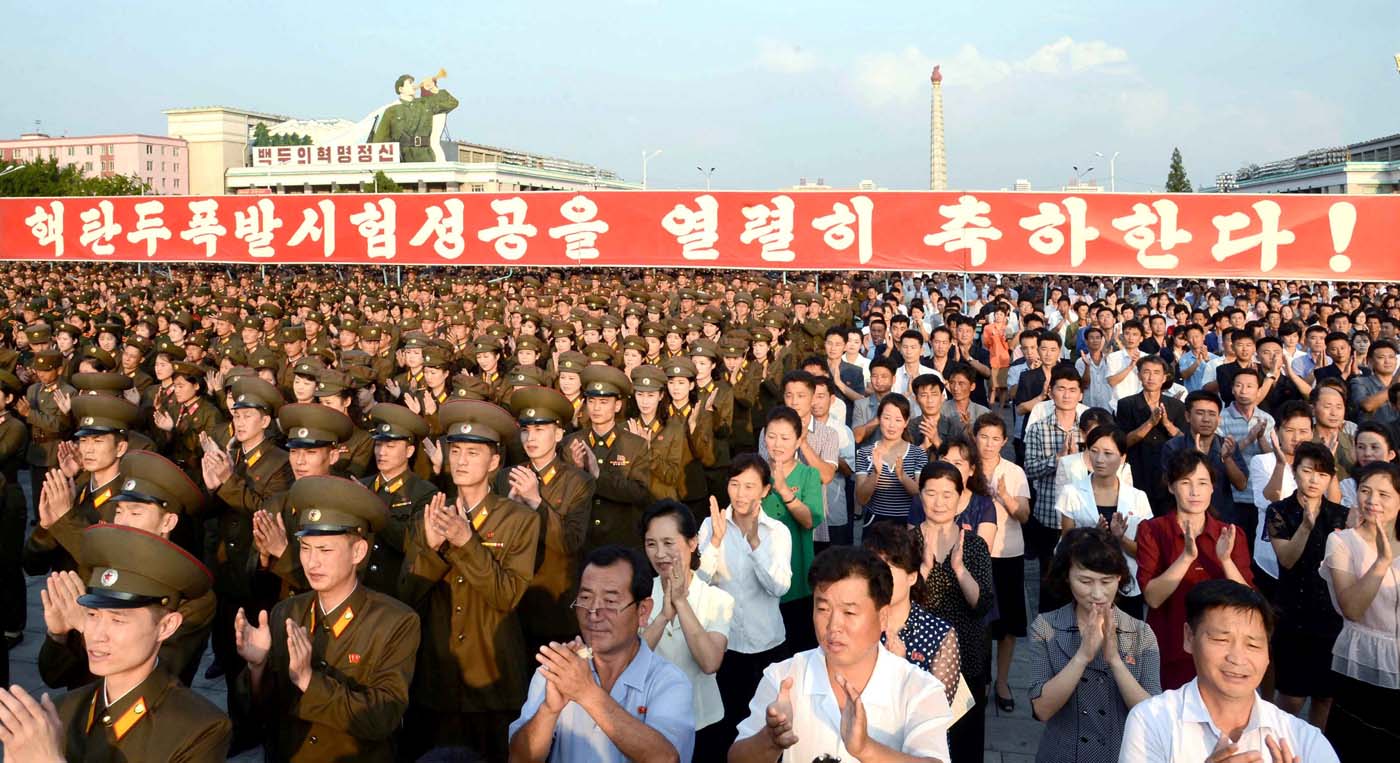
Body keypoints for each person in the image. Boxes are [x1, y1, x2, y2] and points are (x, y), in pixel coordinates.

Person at [0, 524, 231, 761]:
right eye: (92, 615)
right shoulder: (61, 712)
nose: (97, 634)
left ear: (165, 626)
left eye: (118, 620)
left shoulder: (200, 729)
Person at [232, 476, 420, 761]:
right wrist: (257, 668)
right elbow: (262, 712)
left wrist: (309, 680)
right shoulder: (287, 611)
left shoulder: (395, 622)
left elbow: (383, 717)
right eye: (305, 549)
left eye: (325, 550)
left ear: (358, 551)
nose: (312, 562)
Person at [398, 399, 542, 761]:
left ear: (495, 461)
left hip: (491, 678)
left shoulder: (519, 519)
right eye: (455, 451)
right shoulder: (430, 512)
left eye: (473, 453)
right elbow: (405, 596)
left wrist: (465, 542)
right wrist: (430, 550)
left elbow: (507, 595)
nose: (460, 461)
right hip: (436, 678)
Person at [729, 546, 953, 763]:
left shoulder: (919, 688)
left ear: (883, 617)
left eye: (849, 612)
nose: (834, 626)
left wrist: (866, 749)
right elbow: (737, 758)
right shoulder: (784, 678)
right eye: (823, 609)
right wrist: (770, 739)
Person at [509, 545, 695, 763]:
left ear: (643, 611)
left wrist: (586, 693)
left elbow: (665, 759)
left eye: (610, 601)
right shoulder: (556, 671)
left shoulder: (669, 682)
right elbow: (518, 758)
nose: (594, 613)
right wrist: (549, 710)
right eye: (586, 598)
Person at [1119, 580, 1339, 763]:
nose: (1237, 658)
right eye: (1221, 639)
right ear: (1189, 637)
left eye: (1252, 645)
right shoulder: (1152, 721)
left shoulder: (1305, 740)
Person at [1028, 528, 1159, 762]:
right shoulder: (1046, 628)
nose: (1097, 593)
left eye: (1106, 581)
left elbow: (1152, 716)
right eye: (1085, 581)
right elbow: (1042, 709)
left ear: (1119, 578)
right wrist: (1082, 656)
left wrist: (1115, 661)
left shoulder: (1141, 633)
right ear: (1067, 576)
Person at [1135, 449, 1254, 690]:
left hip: (1223, 648)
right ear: (1171, 487)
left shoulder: (1230, 533)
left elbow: (1249, 600)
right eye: (1185, 482)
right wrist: (1187, 557)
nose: (1194, 491)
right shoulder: (1153, 530)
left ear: (1212, 487)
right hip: (1170, 646)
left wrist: (1226, 560)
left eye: (1202, 483)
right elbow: (1153, 597)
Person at [912, 461, 994, 763]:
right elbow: (895, 602)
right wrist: (924, 568)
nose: (939, 502)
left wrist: (959, 569)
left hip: (966, 654)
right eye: (931, 493)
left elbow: (983, 604)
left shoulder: (972, 545)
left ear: (960, 497)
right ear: (920, 495)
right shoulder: (907, 543)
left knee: (964, 744)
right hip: (917, 656)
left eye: (947, 494)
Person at [640, 499, 733, 759]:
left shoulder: (717, 600)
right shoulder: (639, 595)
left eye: (668, 543)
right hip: (648, 723)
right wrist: (661, 618)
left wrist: (681, 602)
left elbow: (710, 661)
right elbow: (628, 661)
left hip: (703, 723)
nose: (659, 554)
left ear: (692, 543)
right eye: (651, 544)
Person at [505, 387, 596, 653]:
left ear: (558, 434)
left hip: (555, 605)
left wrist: (535, 501)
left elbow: (570, 541)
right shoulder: (506, 476)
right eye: (525, 430)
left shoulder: (578, 482)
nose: (530, 437)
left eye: (540, 430)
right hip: (513, 601)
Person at [1264, 441, 1347, 731]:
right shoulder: (1278, 511)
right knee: (1291, 698)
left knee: (1325, 698)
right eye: (1308, 471)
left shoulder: (1341, 515)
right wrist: (1306, 527)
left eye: (1322, 474)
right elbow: (1286, 559)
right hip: (1292, 616)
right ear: (1294, 471)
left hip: (1332, 618)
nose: (1314, 480)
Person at [1319, 461, 1400, 757]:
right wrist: (1381, 561)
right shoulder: (1341, 542)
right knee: (1359, 744)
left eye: (1383, 494)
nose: (1372, 501)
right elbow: (1352, 608)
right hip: (1363, 662)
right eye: (1365, 491)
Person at [1054, 426, 1153, 618]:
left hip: (1125, 584)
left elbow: (1144, 551)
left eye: (1108, 453)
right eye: (1094, 451)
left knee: (1125, 643)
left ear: (1122, 457)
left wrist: (1120, 538)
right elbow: (1065, 544)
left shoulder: (1137, 497)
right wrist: (1093, 535)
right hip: (1085, 586)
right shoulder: (1072, 492)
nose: (1100, 460)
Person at [862, 520, 962, 706]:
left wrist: (901, 668)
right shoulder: (855, 625)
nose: (878, 579)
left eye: (887, 571)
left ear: (912, 577)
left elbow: (937, 708)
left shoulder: (939, 634)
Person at [564, 365, 652, 552]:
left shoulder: (635, 445)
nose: (596, 408)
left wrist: (597, 476)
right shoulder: (571, 442)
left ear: (617, 405)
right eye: (592, 401)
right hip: (582, 540)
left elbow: (640, 494)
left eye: (604, 402)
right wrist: (579, 473)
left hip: (621, 540)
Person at [759, 405, 824, 652]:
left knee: (797, 649)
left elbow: (810, 520)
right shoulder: (755, 472)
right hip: (759, 579)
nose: (777, 444)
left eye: (785, 438)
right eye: (772, 436)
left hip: (797, 579)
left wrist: (784, 489)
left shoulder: (808, 475)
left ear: (798, 441)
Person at [855, 393, 927, 525]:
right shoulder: (865, 453)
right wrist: (875, 474)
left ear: (906, 422)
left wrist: (902, 477)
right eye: (887, 418)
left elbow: (921, 494)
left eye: (898, 420)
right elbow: (861, 498)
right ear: (879, 418)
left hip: (908, 524)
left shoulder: (918, 454)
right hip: (875, 524)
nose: (891, 425)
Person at [371, 72, 460, 162]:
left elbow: (452, 103)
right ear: (401, 89)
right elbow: (379, 141)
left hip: (425, 155)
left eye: (413, 83)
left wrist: (434, 89)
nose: (413, 85)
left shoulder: (425, 103)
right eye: (410, 83)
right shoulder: (392, 111)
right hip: (402, 157)